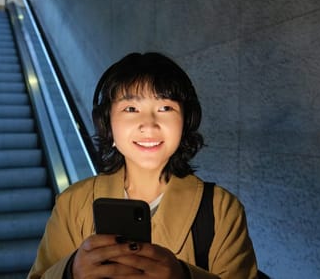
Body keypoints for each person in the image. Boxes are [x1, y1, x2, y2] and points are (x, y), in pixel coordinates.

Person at [28, 52, 259, 278]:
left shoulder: (221, 209)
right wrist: (71, 272)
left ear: (185, 120)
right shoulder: (72, 203)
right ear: (107, 123)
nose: (149, 125)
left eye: (165, 108)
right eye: (131, 109)